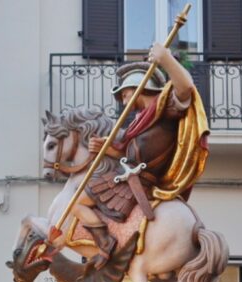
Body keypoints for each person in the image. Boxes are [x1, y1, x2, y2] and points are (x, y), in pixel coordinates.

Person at [74, 43, 200, 270]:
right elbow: (126, 152)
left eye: (125, 94)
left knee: (77, 202)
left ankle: (106, 246)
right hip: (129, 175)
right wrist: (104, 147)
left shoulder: (165, 109)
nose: (124, 101)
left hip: (135, 181)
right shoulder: (140, 122)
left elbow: (186, 88)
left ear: (139, 88)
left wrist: (166, 59)